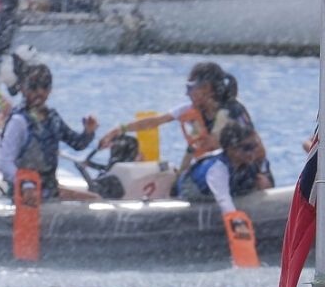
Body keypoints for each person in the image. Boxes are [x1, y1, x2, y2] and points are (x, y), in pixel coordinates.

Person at [100, 60, 270, 217]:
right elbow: (155, 121)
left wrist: (258, 174)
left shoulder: (233, 112)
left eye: (190, 87)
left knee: (259, 181)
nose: (186, 93)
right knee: (179, 182)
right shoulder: (192, 110)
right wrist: (119, 129)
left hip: (242, 172)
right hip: (209, 174)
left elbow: (258, 150)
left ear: (207, 88)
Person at [0, 64, 98, 201]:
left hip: (49, 189)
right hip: (23, 194)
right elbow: (5, 162)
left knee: (94, 199)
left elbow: (77, 144)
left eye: (44, 86)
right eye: (33, 87)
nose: (39, 92)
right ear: (23, 89)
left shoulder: (53, 119)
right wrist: (25, 184)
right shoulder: (18, 121)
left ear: (50, 89)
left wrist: (88, 132)